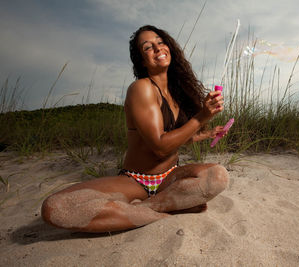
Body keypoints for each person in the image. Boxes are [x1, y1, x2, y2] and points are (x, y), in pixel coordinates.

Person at [41, 25, 229, 233]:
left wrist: (207, 134)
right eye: (148, 47)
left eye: (160, 42)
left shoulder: (176, 93)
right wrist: (202, 116)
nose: (158, 48)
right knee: (54, 208)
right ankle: (167, 207)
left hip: (169, 177)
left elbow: (176, 140)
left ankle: (150, 207)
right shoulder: (141, 88)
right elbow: (160, 146)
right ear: (141, 60)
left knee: (218, 176)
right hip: (137, 180)